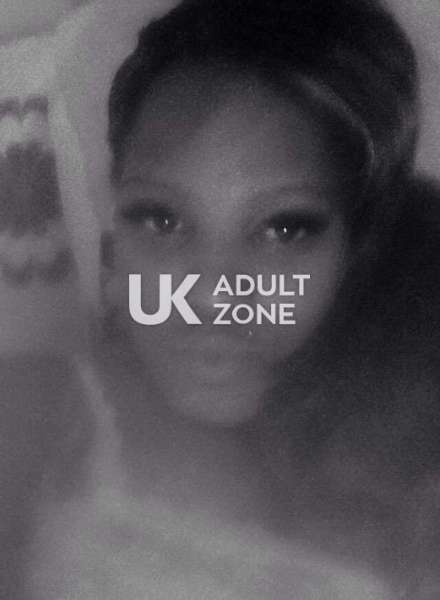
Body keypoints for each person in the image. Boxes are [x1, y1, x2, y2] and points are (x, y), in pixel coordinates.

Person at [6, 0, 440, 598]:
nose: (210, 295)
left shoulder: (417, 473)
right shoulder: (32, 416)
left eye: (283, 229)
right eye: (161, 219)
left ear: (356, 247)